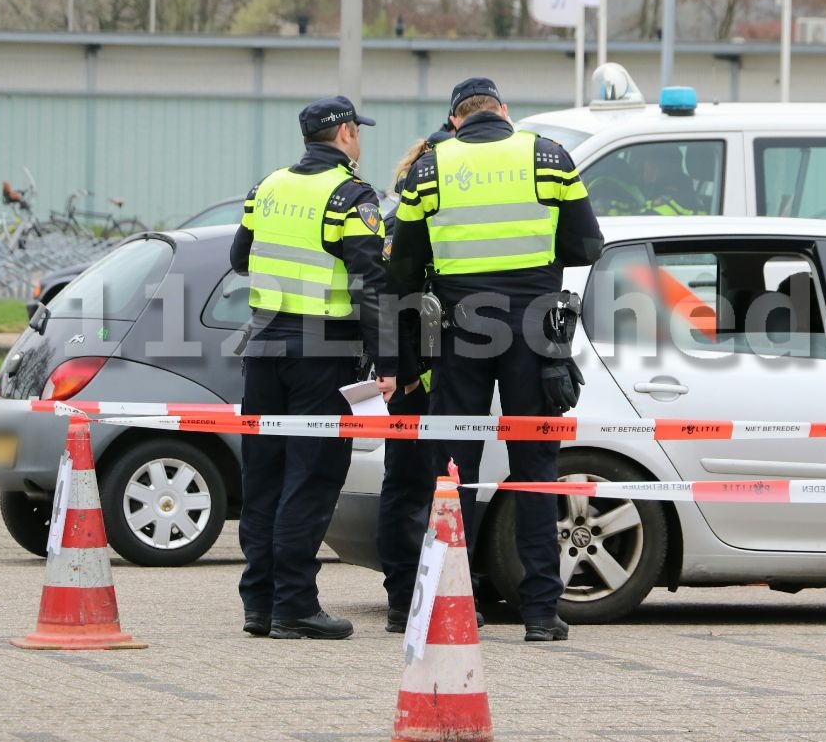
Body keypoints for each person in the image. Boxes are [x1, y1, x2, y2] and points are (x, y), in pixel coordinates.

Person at [380, 77, 603, 642]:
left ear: (455, 119)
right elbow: (587, 246)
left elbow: (403, 264)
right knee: (535, 471)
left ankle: (453, 603)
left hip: (461, 332)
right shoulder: (549, 156)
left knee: (453, 473)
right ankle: (540, 614)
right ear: (505, 112)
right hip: (535, 331)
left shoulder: (431, 168)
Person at [229, 94, 386, 640]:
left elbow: (239, 259)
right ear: (344, 133)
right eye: (357, 131)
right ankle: (294, 605)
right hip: (323, 353)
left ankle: (260, 604)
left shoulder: (267, 187)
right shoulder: (350, 195)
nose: (359, 140)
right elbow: (371, 283)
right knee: (311, 479)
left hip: (265, 346)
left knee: (265, 477)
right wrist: (388, 360)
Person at [374, 132, 469, 634]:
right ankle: (403, 597)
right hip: (415, 383)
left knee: (442, 489)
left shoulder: (451, 220)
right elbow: (390, 304)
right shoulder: (401, 223)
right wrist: (405, 373)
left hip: (447, 379)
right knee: (408, 487)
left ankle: (439, 591)